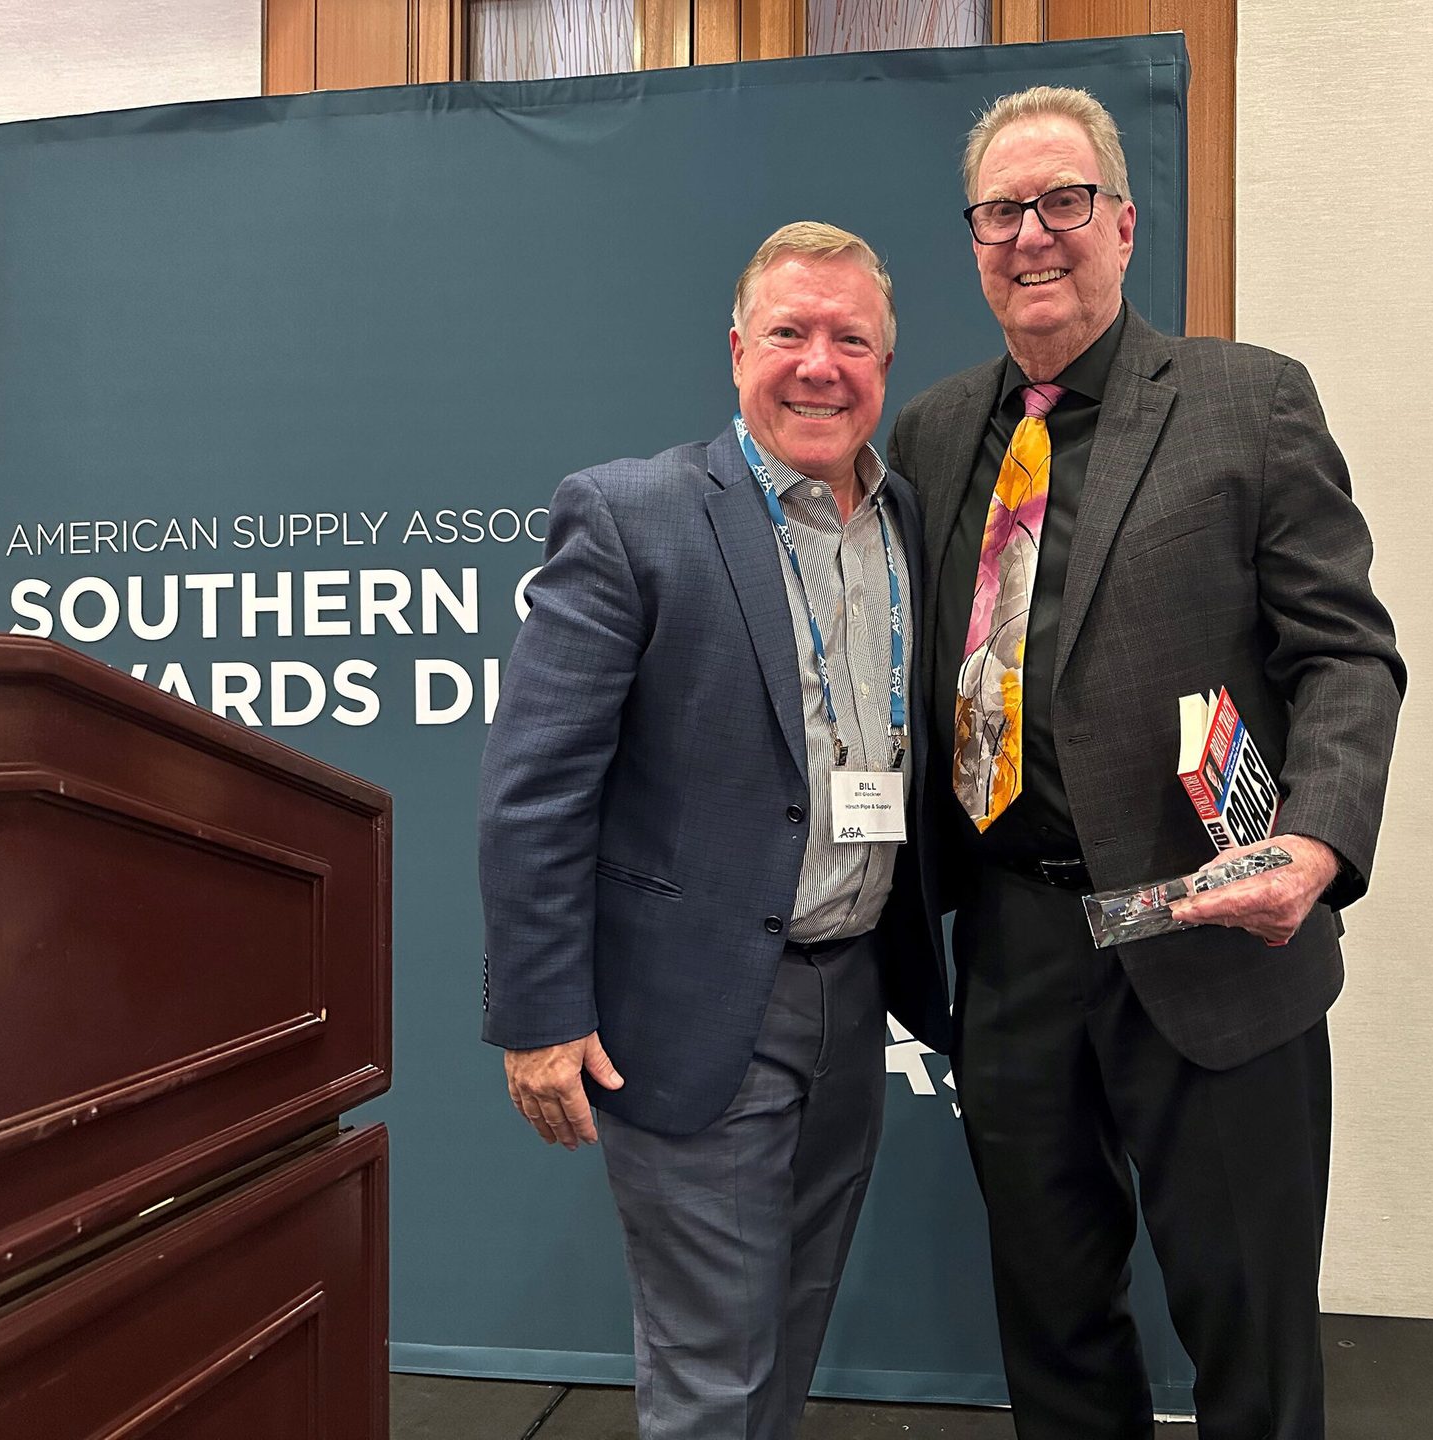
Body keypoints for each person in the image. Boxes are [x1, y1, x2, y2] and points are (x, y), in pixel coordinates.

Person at [887, 87, 1405, 1440]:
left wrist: (1321, 838)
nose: (1032, 234)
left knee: (1249, 1334)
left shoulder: (1248, 402)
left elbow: (1346, 655)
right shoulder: (938, 437)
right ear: (976, 240)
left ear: (1124, 223)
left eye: (1063, 202)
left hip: (1210, 930)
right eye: (1002, 210)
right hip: (1014, 942)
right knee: (1053, 1330)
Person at [479, 221, 950, 1440]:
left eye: (851, 339)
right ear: (736, 349)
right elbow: (535, 785)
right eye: (790, 332)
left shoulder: (907, 526)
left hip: (854, 997)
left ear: (885, 367)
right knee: (710, 1377)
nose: (819, 365)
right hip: (697, 1012)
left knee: (783, 1350)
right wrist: (539, 1017)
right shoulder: (633, 514)